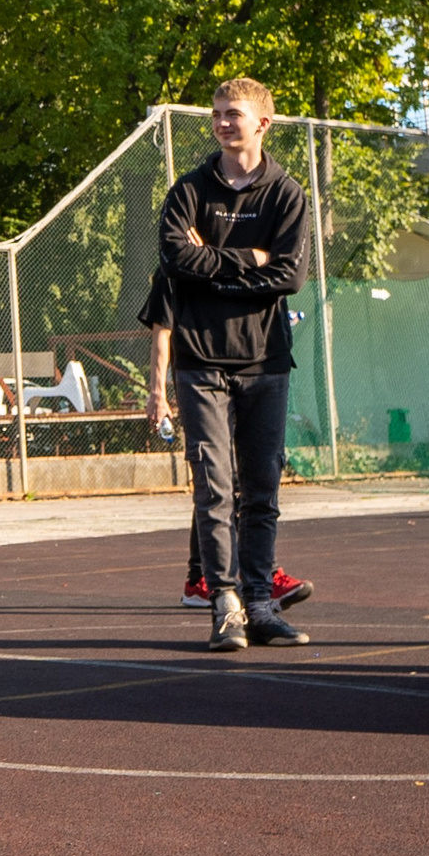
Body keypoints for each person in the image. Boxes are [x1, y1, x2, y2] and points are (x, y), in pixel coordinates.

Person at [159, 78, 311, 654]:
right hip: (200, 363)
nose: (223, 122)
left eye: (235, 114)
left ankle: (262, 604)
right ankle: (225, 607)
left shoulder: (287, 194)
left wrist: (213, 268)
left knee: (263, 489)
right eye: (218, 114)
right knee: (215, 492)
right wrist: (249, 259)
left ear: (263, 124)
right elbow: (176, 258)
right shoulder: (189, 191)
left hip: (266, 361)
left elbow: (290, 276)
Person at [143, 268, 314, 613]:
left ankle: (240, 575)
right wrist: (158, 393)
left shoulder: (252, 257)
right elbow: (162, 331)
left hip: (254, 373)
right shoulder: (176, 270)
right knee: (219, 481)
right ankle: (208, 578)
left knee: (243, 483)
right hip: (205, 377)